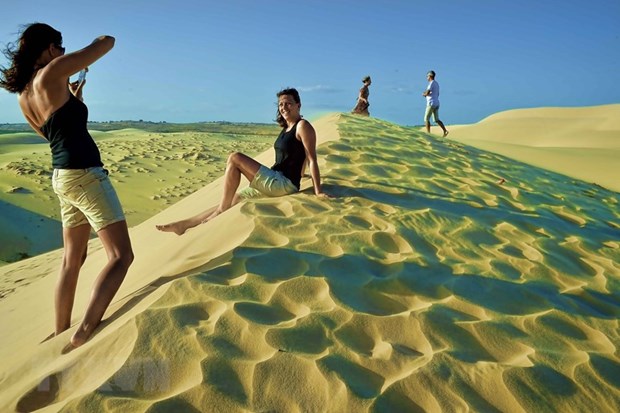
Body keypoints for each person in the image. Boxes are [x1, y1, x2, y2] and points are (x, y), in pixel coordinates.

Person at [0, 23, 134, 349]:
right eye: (59, 47)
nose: (61, 53)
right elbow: (107, 41)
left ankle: (60, 330)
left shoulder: (24, 96)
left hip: (62, 177)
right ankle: (84, 332)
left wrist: (72, 101)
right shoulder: (53, 71)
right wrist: (82, 54)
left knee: (71, 259)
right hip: (85, 174)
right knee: (121, 256)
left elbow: (54, 135)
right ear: (48, 48)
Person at [157, 88, 329, 235]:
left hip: (282, 183)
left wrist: (318, 191)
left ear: (298, 105)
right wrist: (301, 174)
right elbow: (300, 158)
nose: (284, 107)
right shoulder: (286, 129)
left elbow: (311, 157)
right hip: (276, 181)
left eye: (288, 103)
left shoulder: (303, 126)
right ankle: (185, 225)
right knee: (233, 199)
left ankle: (220, 211)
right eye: (281, 104)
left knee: (235, 158)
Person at [422, 70, 449, 137]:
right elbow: (437, 94)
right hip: (436, 103)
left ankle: (428, 134)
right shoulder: (436, 83)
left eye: (427, 76)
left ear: (430, 76)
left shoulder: (431, 83)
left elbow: (427, 92)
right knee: (436, 120)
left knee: (426, 119)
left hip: (431, 103)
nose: (426, 78)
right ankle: (445, 131)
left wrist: (424, 94)